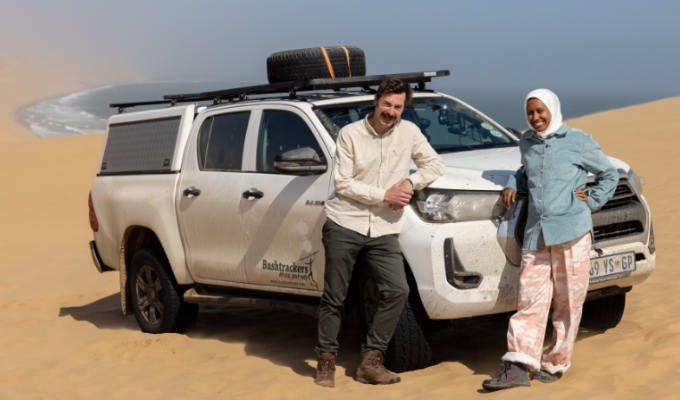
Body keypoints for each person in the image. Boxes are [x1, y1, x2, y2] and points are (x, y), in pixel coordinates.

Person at [482, 88, 619, 391]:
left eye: (540, 111)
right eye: (530, 113)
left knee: (568, 303)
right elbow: (526, 169)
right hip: (536, 234)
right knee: (530, 300)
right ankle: (518, 365)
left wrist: (592, 200)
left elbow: (609, 173)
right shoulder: (527, 142)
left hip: (572, 232)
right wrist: (512, 183)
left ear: (553, 110)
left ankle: (556, 362)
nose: (535, 118)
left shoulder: (578, 141)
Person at [314, 79, 444, 387]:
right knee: (335, 296)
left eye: (398, 107)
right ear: (376, 101)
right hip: (345, 222)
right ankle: (326, 360)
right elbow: (343, 184)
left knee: (398, 290)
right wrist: (385, 195)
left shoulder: (410, 132)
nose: (391, 112)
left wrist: (411, 183)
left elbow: (435, 165)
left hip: (385, 228)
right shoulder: (350, 134)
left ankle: (371, 360)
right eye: (387, 105)